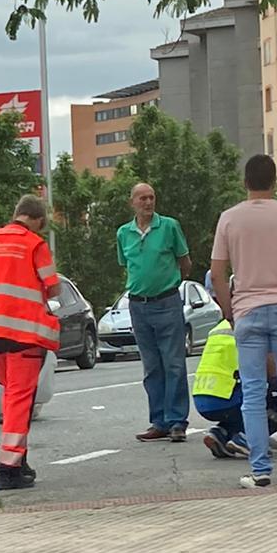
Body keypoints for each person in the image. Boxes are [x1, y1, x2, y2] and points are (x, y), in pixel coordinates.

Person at [210, 154, 277, 489]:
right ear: (275, 182)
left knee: (254, 393)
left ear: (246, 182)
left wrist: (230, 311)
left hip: (248, 311)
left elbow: (217, 273)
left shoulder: (229, 219)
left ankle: (260, 470)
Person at [0, 195, 59, 492]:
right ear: (38, 221)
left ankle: (19, 461)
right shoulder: (35, 244)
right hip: (24, 335)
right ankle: (7, 470)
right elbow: (53, 286)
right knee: (20, 401)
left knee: (12, 399)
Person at [116, 182, 191, 443]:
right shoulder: (124, 233)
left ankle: (177, 421)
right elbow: (126, 265)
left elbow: (185, 263)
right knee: (151, 367)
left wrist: (168, 285)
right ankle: (158, 421)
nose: (148, 202)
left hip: (167, 302)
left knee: (174, 363)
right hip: (138, 305)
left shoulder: (169, 226)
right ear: (132, 202)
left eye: (152, 197)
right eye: (143, 198)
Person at [191, 317, 248, 459]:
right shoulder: (252, 323)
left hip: (202, 396)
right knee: (272, 396)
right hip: (226, 398)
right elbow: (271, 371)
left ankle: (220, 433)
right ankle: (247, 438)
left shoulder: (219, 327)